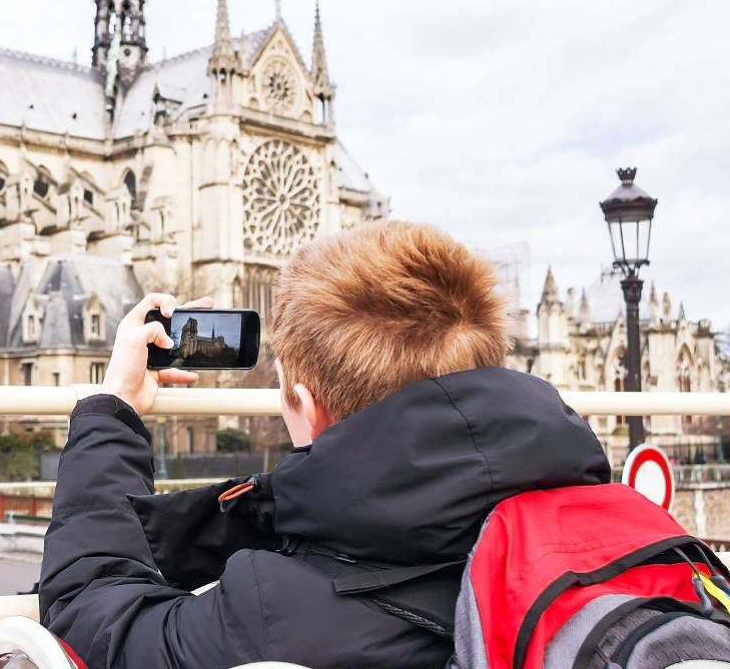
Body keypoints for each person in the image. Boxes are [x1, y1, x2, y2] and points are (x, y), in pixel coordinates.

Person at [37, 221, 610, 668]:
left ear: (306, 407)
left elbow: (91, 619)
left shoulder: (272, 614)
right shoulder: (606, 533)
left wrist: (111, 411)